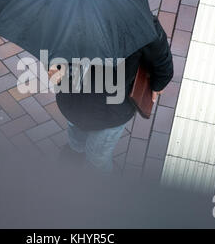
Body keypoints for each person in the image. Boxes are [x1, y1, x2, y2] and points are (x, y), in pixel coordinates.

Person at [52, 16, 174, 173]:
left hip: (85, 107)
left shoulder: (67, 16)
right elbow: (163, 64)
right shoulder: (140, 21)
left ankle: (78, 167)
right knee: (94, 156)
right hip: (107, 110)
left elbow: (53, 55)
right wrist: (158, 85)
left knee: (88, 152)